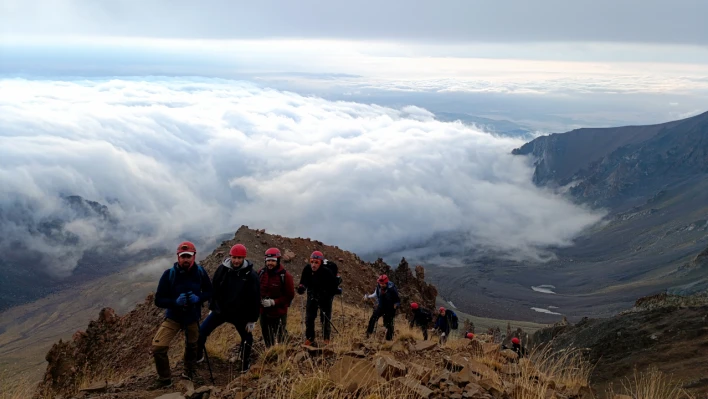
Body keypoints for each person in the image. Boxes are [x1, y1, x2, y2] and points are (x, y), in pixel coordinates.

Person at [150, 241, 213, 389]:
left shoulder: (200, 273)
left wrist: (199, 298)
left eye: (188, 256)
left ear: (194, 257)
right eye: (183, 256)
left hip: (192, 316)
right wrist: (175, 302)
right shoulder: (169, 274)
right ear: (178, 257)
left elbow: (210, 292)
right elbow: (159, 300)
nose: (186, 259)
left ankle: (189, 373)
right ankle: (165, 379)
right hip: (173, 317)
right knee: (158, 348)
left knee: (192, 346)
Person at [197, 244, 260, 373]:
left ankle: (244, 363)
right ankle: (198, 357)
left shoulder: (251, 275)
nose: (236, 260)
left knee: (247, 338)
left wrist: (252, 320)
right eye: (234, 257)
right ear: (230, 256)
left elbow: (255, 298)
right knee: (201, 332)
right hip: (221, 311)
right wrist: (212, 306)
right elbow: (214, 288)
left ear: (244, 258)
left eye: (239, 258)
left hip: (240, 314)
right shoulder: (222, 269)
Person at [297, 251, 340, 347]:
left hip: (325, 298)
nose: (313, 265)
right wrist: (302, 288)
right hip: (312, 296)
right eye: (312, 262)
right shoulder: (307, 269)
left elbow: (333, 288)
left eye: (316, 262)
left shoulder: (327, 272)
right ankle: (310, 338)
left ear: (320, 263)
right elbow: (303, 282)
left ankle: (326, 339)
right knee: (309, 319)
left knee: (325, 319)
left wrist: (325, 294)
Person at [258, 247, 295, 348]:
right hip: (263, 312)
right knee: (266, 334)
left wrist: (274, 302)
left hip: (278, 313)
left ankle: (284, 354)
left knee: (281, 335)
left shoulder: (285, 276)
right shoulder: (261, 273)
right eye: (268, 260)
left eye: (273, 261)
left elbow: (289, 296)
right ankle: (270, 352)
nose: (270, 263)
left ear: (278, 261)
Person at [364, 274, 400, 341]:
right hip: (381, 306)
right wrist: (368, 297)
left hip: (389, 308)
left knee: (388, 323)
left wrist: (396, 305)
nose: (381, 285)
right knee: (373, 318)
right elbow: (376, 294)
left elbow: (397, 300)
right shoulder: (378, 286)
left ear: (386, 282)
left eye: (383, 284)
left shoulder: (392, 289)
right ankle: (368, 333)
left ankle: (389, 339)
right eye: (380, 283)